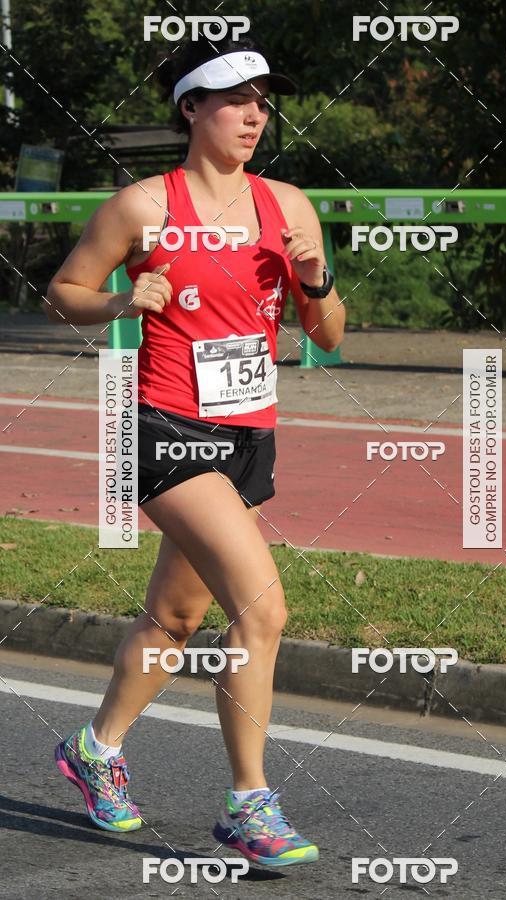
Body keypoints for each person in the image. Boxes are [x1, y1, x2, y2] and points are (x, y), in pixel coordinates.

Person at [46, 35, 345, 868]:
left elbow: (329, 335)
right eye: (236, 100)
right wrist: (119, 302)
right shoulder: (143, 206)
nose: (255, 115)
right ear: (191, 107)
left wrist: (315, 282)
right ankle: (249, 805)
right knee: (262, 610)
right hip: (169, 431)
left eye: (262, 102)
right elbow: (63, 293)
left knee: (175, 619)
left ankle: (95, 749)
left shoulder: (289, 207)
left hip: (250, 434)